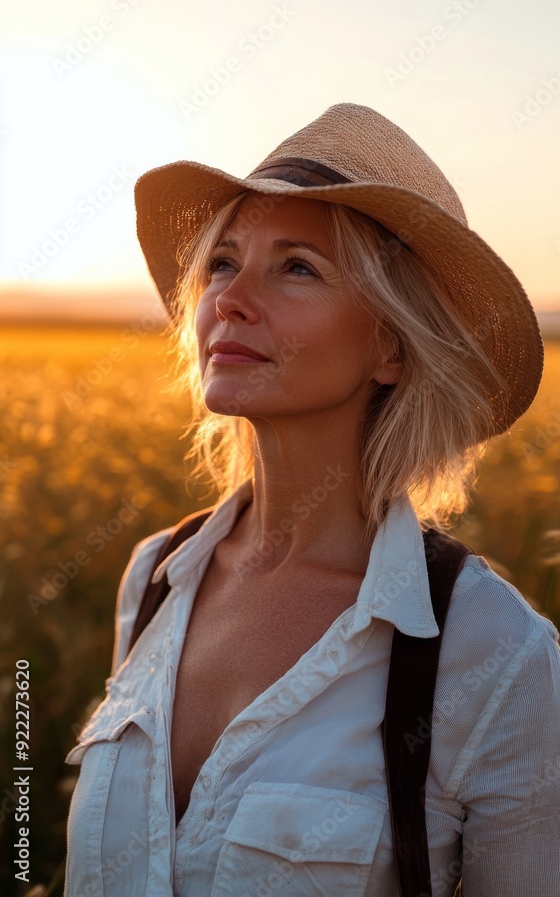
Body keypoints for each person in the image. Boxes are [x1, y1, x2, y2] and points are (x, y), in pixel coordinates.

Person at [64, 103, 560, 896]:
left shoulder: (493, 653)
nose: (230, 298)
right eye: (222, 261)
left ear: (392, 345)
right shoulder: (155, 578)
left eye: (297, 267)